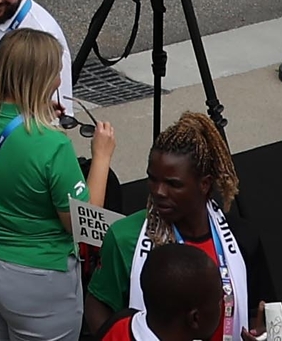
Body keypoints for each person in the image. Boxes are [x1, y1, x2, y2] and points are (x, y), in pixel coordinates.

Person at [0, 30, 104, 341]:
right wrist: (102, 156)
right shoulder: (52, 145)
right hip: (40, 280)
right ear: (36, 80)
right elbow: (82, 225)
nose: (57, 82)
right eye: (54, 75)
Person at [82, 110, 247, 341]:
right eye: (152, 178)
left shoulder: (239, 238)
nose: (158, 192)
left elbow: (257, 304)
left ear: (204, 184)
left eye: (173, 184)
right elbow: (98, 302)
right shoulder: (124, 238)